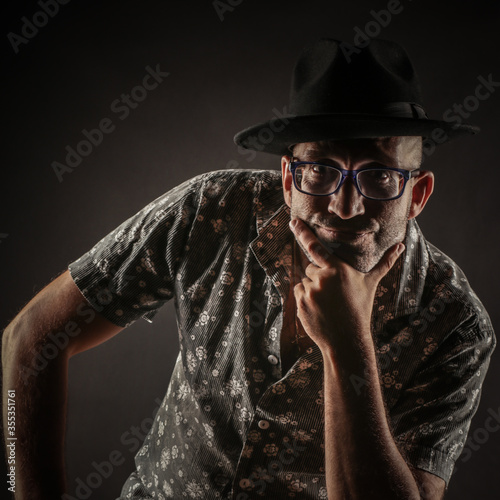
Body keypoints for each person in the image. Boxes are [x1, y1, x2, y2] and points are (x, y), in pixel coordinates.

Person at [2, 38, 496, 500]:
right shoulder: (211, 211)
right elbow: (26, 339)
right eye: (321, 170)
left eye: (381, 175)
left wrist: (347, 349)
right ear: (287, 179)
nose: (346, 207)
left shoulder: (455, 324)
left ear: (418, 194)